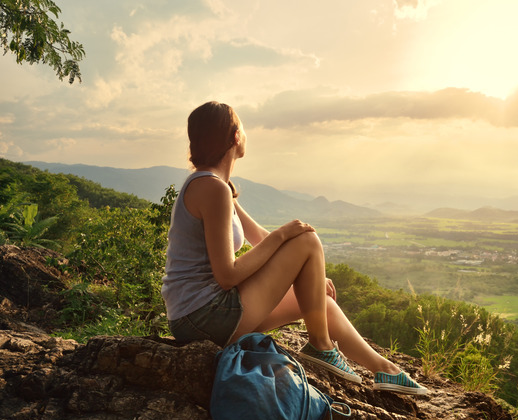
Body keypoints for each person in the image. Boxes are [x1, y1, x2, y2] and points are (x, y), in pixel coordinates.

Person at [161, 101, 426, 395]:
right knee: (308, 239)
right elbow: (227, 275)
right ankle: (321, 347)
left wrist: (308, 277)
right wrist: (284, 234)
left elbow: (260, 237)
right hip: (204, 317)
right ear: (235, 136)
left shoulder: (218, 186)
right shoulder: (211, 188)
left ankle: (385, 370)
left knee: (317, 303)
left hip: (205, 315)